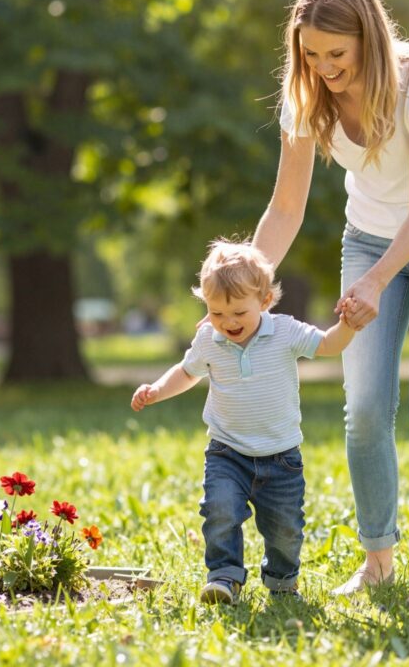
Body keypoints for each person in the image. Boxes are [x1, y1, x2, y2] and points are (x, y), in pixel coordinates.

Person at [252, 0, 409, 602]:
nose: (324, 68)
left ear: (368, 39)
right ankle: (378, 560)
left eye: (337, 54)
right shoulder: (305, 99)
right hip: (367, 240)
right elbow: (284, 209)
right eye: (310, 54)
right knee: (363, 408)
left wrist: (377, 282)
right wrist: (246, 282)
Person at [130, 239, 355, 604]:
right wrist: (156, 390)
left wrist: (348, 324)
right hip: (226, 451)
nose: (228, 323)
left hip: (281, 457)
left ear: (264, 301)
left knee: (285, 529)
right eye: (217, 313)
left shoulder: (284, 331)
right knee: (219, 512)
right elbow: (187, 373)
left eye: (238, 313)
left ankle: (282, 582)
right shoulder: (209, 339)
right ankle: (224, 576)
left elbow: (329, 345)